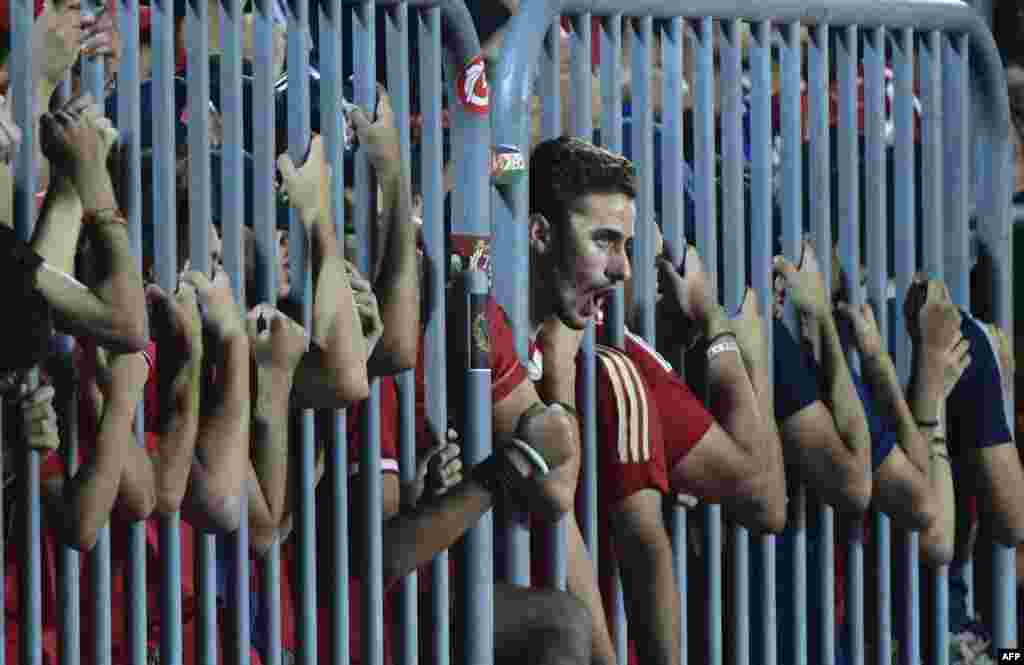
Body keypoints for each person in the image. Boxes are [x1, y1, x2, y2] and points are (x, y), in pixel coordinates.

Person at [525, 136, 786, 665]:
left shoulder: (614, 356)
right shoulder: (599, 362)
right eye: (606, 241)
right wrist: (723, 331)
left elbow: (761, 501)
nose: (624, 269)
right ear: (540, 235)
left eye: (630, 245)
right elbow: (760, 499)